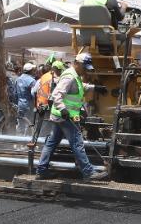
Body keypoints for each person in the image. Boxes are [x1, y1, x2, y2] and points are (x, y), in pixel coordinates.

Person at [34, 52, 108, 182]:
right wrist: (63, 110)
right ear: (77, 63)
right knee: (77, 143)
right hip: (66, 116)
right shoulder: (70, 76)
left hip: (60, 116)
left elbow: (78, 87)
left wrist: (95, 88)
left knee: (51, 143)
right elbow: (56, 94)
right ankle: (88, 172)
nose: (86, 70)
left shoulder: (75, 75)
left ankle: (41, 170)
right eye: (84, 67)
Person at [13, 62, 38, 133]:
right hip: (29, 104)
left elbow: (15, 93)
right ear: (31, 71)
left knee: (21, 123)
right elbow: (34, 93)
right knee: (29, 123)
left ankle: (20, 137)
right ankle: (27, 137)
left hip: (20, 104)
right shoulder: (32, 81)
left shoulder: (18, 79)